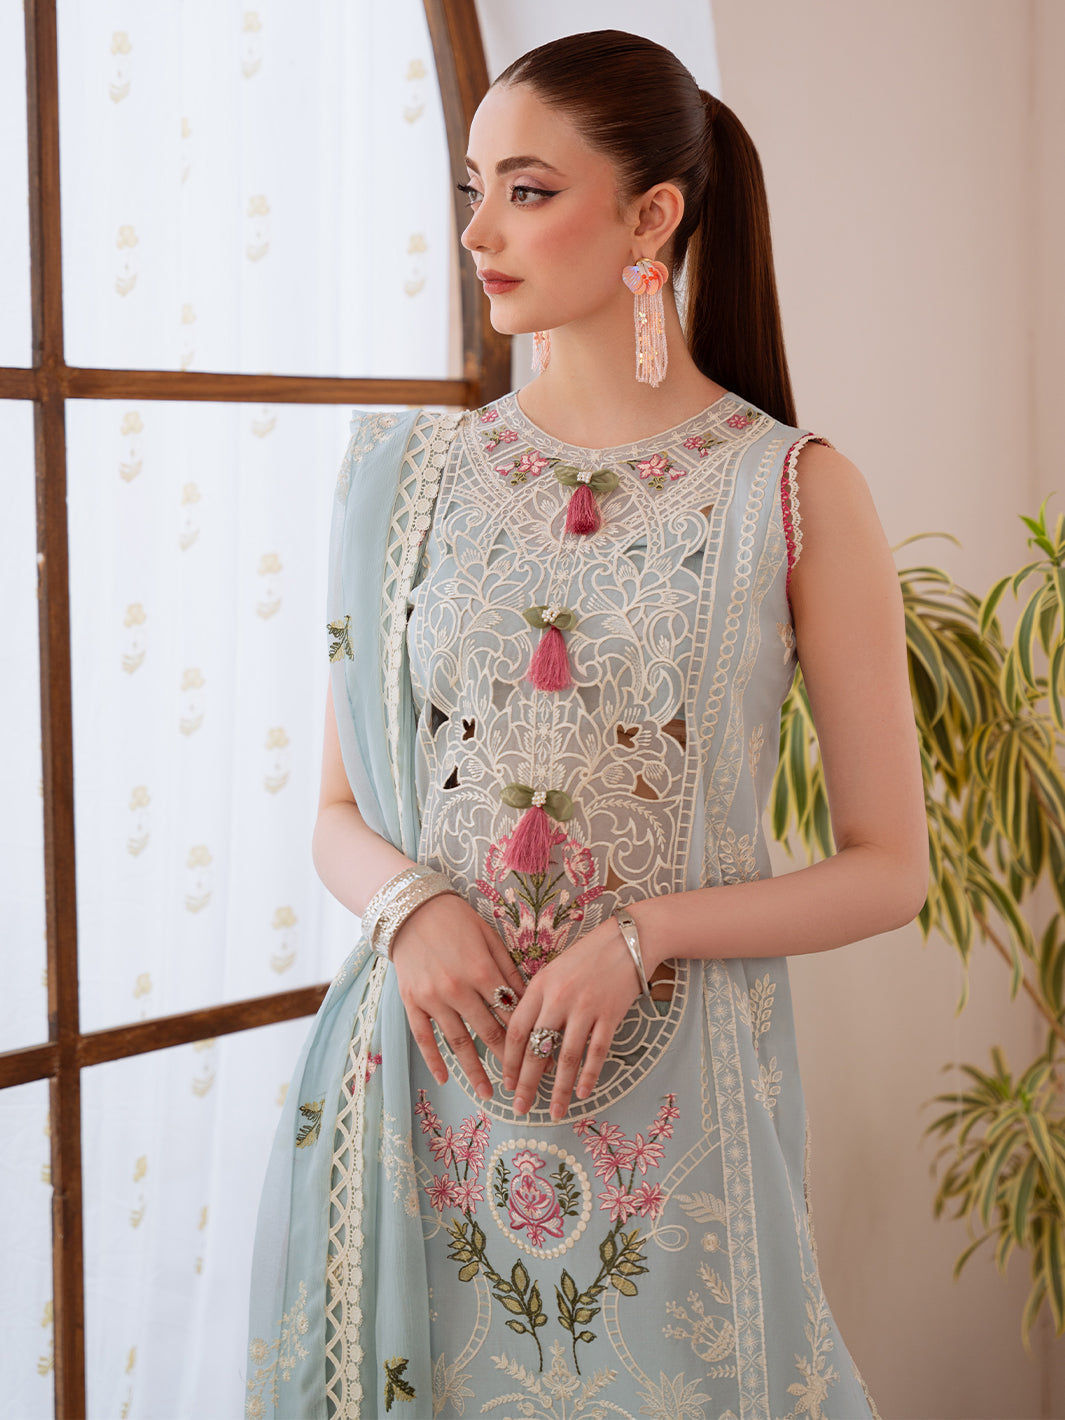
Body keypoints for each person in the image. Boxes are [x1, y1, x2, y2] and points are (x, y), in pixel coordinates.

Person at [245, 29, 927, 1420]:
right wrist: (415, 910)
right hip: (426, 1092)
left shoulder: (790, 493)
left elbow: (888, 868)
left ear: (651, 216)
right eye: (472, 188)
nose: (479, 232)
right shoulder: (405, 481)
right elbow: (336, 815)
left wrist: (644, 935)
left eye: (528, 190)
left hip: (675, 1121)